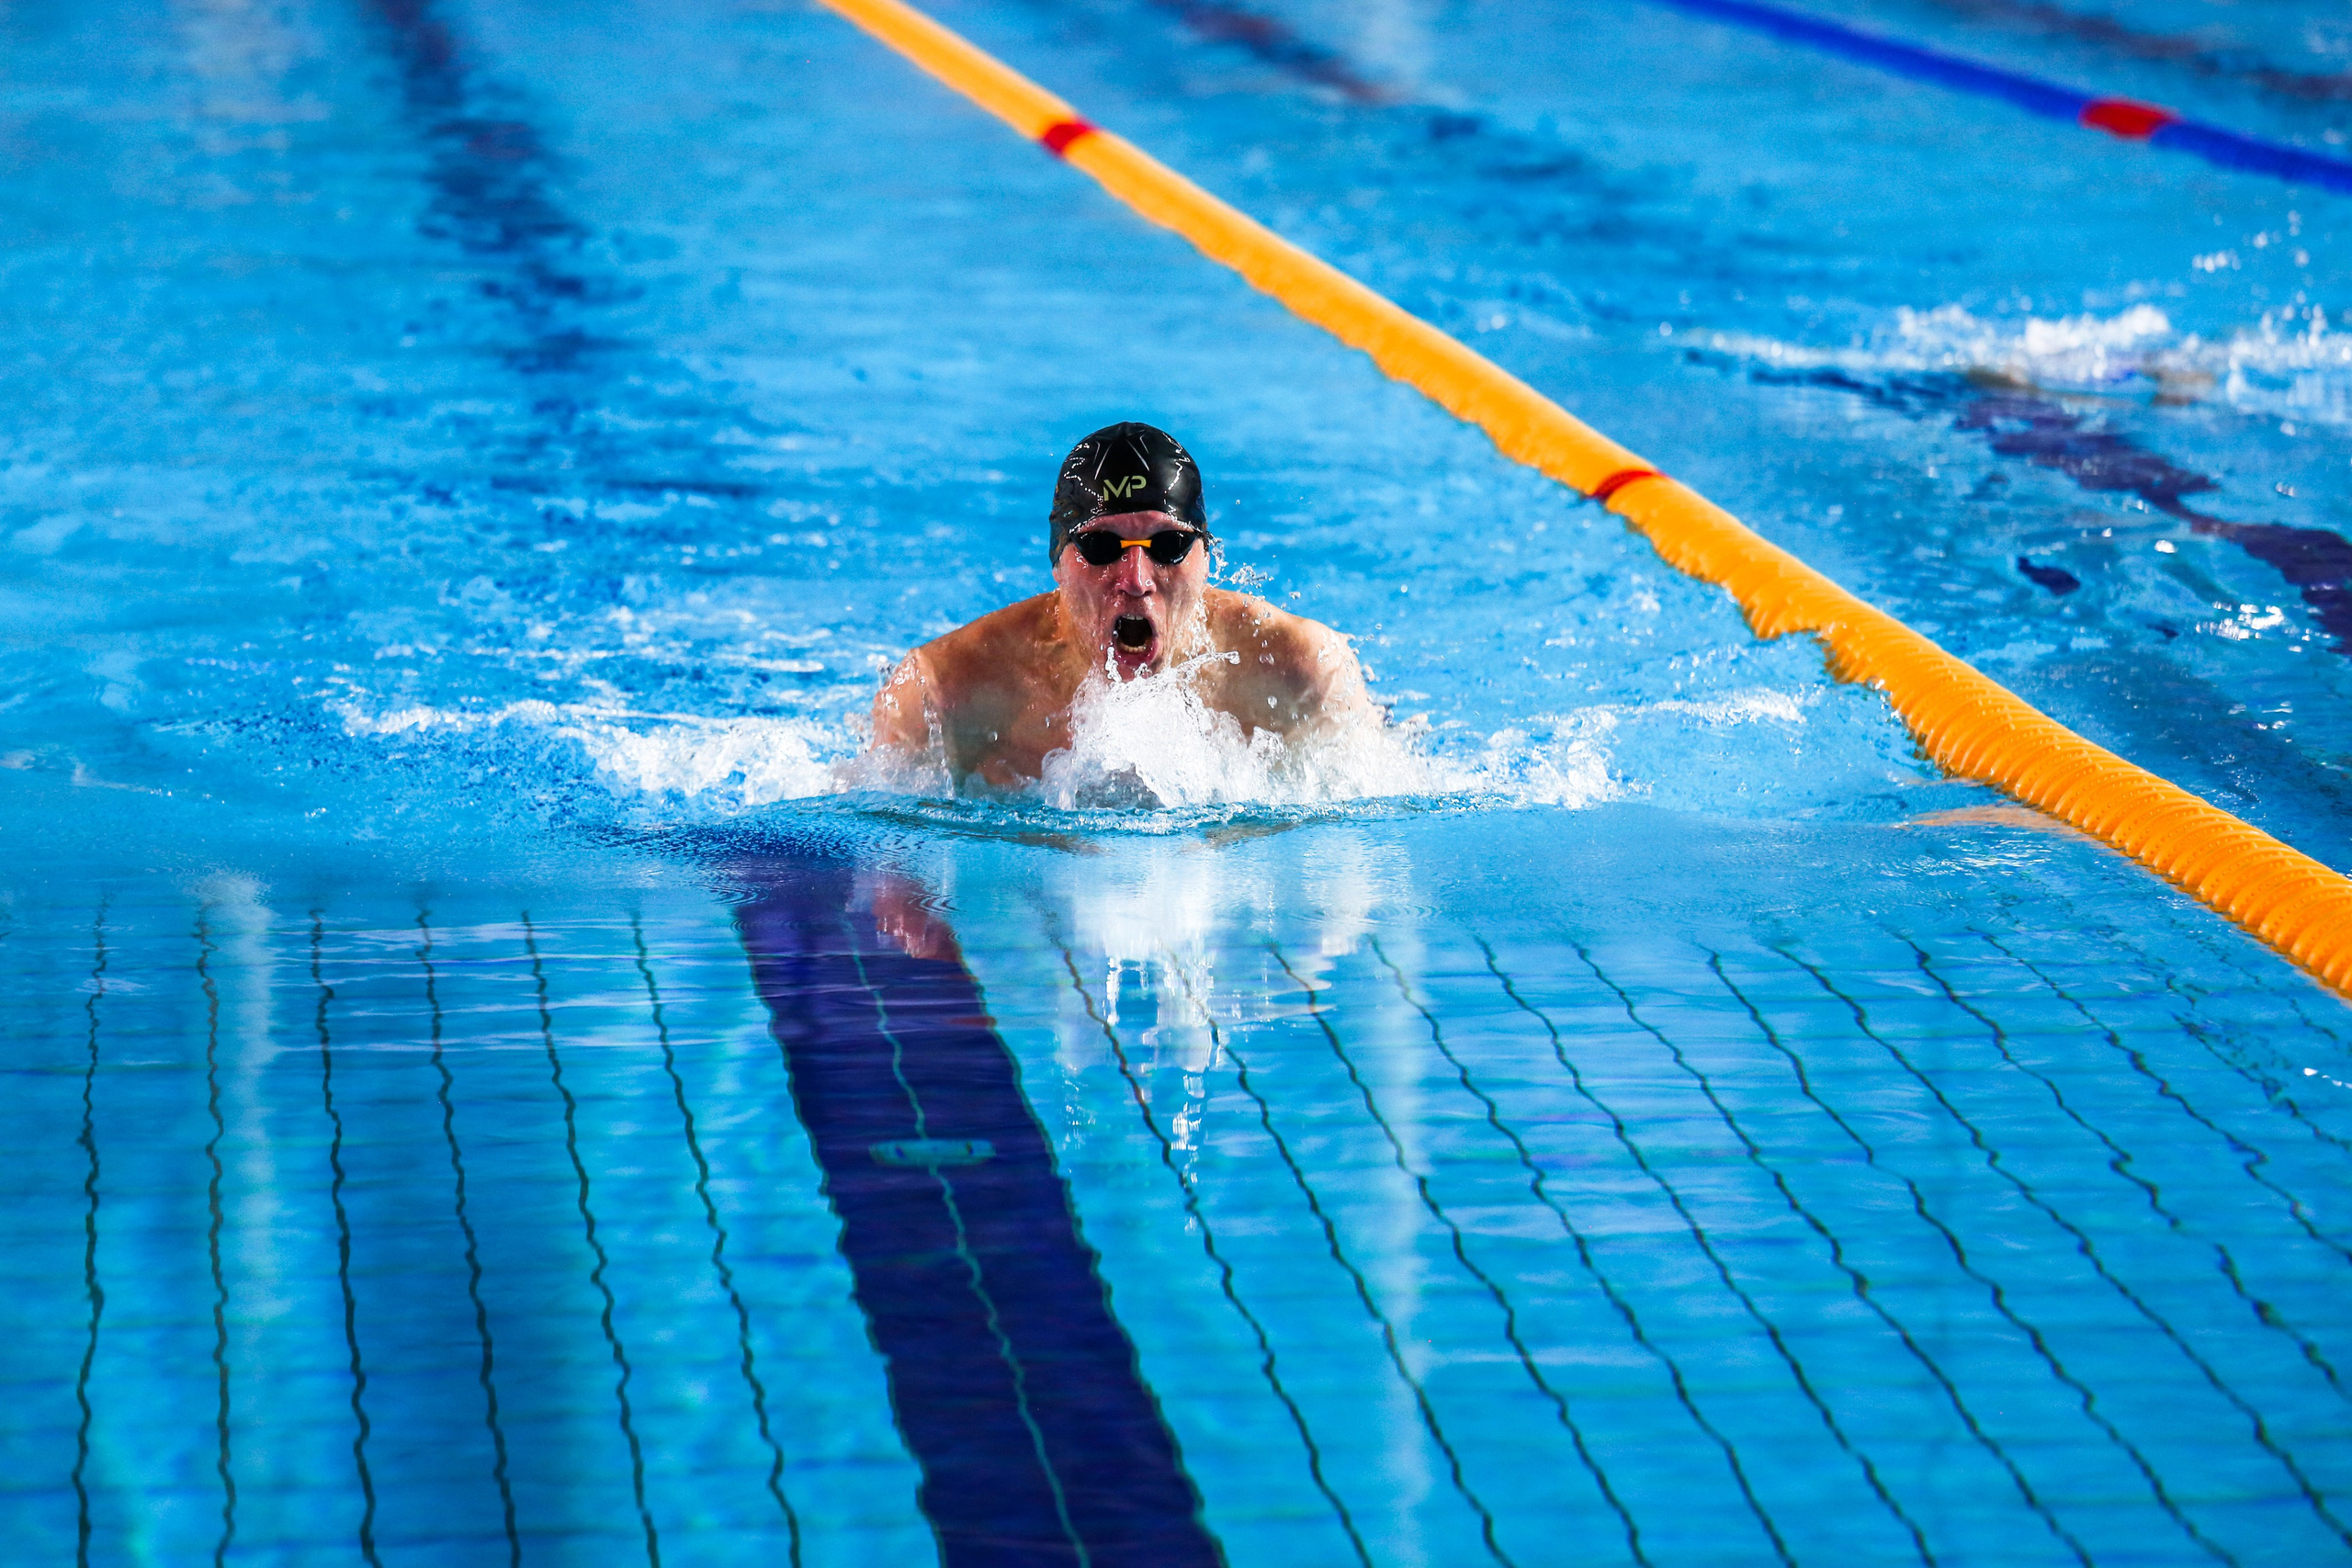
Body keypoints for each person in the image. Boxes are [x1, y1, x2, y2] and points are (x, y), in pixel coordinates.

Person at [866, 423, 1377, 791]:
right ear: (1059, 565)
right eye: (1101, 547)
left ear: (1207, 559)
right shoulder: (942, 696)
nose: (1135, 582)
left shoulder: (1304, 671)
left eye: (1169, 546)